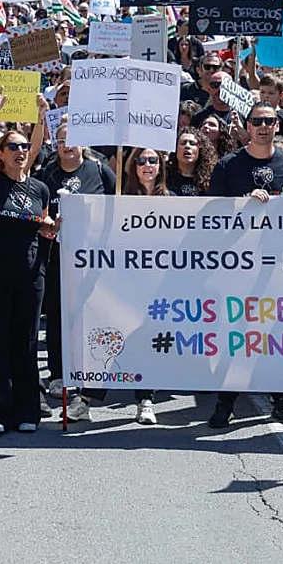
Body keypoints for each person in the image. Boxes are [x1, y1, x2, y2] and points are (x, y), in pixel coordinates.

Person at [207, 101, 283, 429]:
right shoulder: (228, 165)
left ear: (278, 126)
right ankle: (226, 402)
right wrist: (245, 204)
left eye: (270, 120)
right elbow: (214, 215)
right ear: (247, 126)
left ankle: (282, 400)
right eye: (257, 121)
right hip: (238, 266)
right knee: (236, 335)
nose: (264, 126)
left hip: (278, 265)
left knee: (278, 335)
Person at [0, 94, 54, 436]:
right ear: (0, 154)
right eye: (12, 147)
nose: (19, 151)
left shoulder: (39, 188)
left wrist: (51, 227)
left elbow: (41, 225)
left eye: (23, 147)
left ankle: (26, 409)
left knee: (26, 343)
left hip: (30, 278)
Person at [36, 121, 115, 417]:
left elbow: (115, 209)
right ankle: (58, 373)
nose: (66, 145)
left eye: (72, 139)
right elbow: (39, 212)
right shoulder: (47, 174)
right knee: (57, 316)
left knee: (88, 317)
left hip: (92, 260)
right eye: (60, 140)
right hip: (57, 256)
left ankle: (89, 373)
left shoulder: (99, 171)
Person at [120, 146, 172, 426]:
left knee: (148, 342)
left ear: (161, 166)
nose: (147, 165)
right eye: (141, 161)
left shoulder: (173, 201)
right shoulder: (122, 199)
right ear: (133, 166)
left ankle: (145, 400)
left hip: (160, 286)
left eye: (153, 160)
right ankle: (87, 397)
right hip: (126, 285)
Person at [166, 126, 217, 197]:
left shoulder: (211, 179)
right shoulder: (165, 176)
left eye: (192, 143)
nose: (187, 146)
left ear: (200, 149)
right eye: (183, 143)